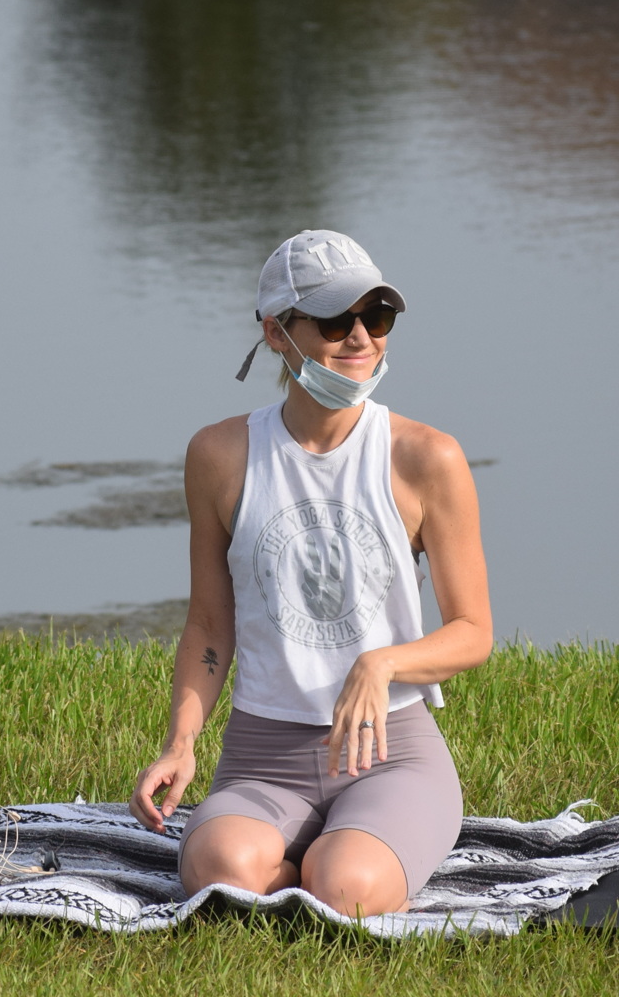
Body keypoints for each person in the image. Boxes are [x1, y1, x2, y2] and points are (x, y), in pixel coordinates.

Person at [128, 229, 493, 917]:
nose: (360, 338)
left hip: (393, 755)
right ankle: (294, 849)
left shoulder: (426, 457)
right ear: (276, 332)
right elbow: (210, 622)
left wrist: (382, 664)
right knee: (219, 873)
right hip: (263, 758)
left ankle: (334, 851)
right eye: (334, 320)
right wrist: (182, 743)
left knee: (344, 887)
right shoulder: (219, 455)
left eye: (375, 317)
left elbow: (474, 632)